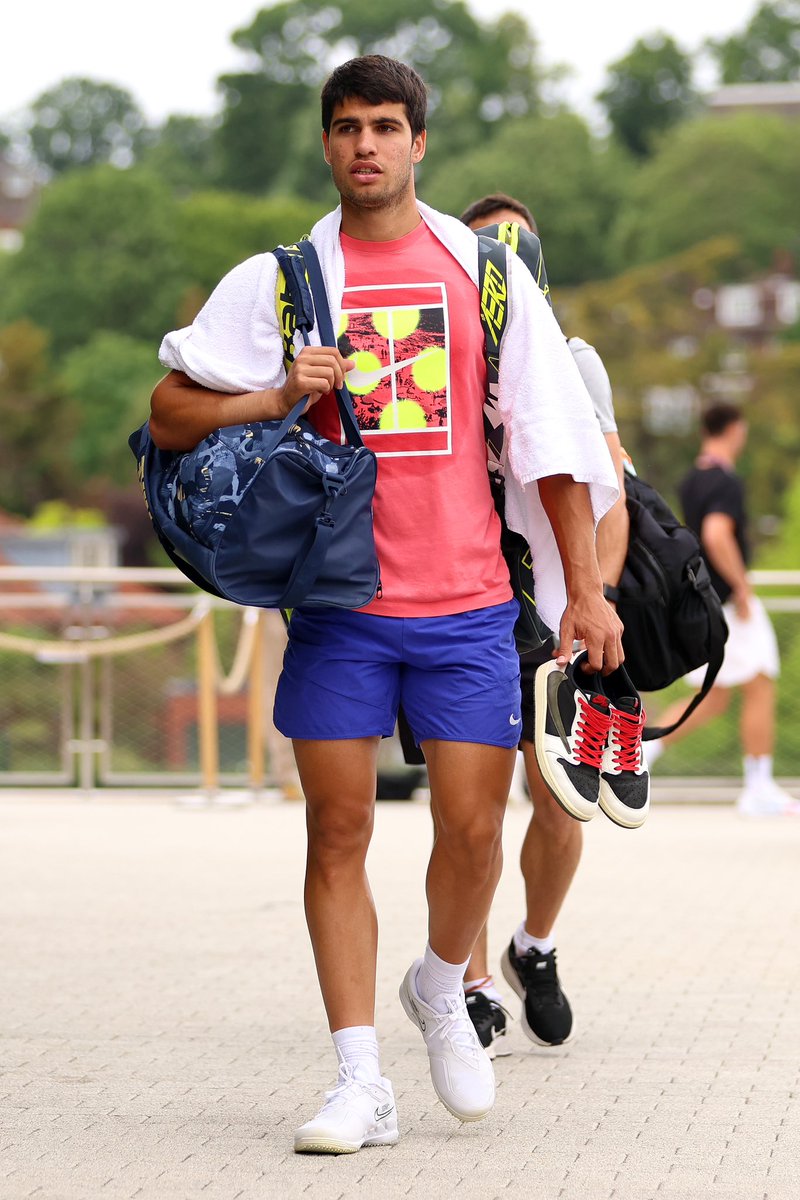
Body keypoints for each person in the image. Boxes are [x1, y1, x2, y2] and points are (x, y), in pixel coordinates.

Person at [149, 57, 622, 1153]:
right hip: (340, 603)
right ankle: (358, 1078)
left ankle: (439, 982)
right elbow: (169, 410)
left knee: (469, 834)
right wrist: (273, 394)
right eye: (347, 128)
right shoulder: (281, 280)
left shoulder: (483, 270)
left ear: (419, 146)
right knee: (338, 831)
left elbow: (552, 447)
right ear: (326, 146)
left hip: (464, 604)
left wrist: (586, 594)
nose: (366, 145)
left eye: (387, 127)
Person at [457, 193, 635, 1055]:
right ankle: (473, 983)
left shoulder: (574, 362)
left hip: (556, 612)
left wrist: (591, 596)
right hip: (465, 603)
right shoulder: (438, 345)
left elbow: (612, 498)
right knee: (470, 806)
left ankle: (535, 945)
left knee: (562, 804)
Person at [646, 402, 797, 818]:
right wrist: (742, 585)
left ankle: (642, 753)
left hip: (702, 597)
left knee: (712, 697)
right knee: (761, 681)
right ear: (735, 429)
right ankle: (759, 787)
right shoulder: (725, 481)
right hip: (729, 601)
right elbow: (716, 533)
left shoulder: (693, 478)